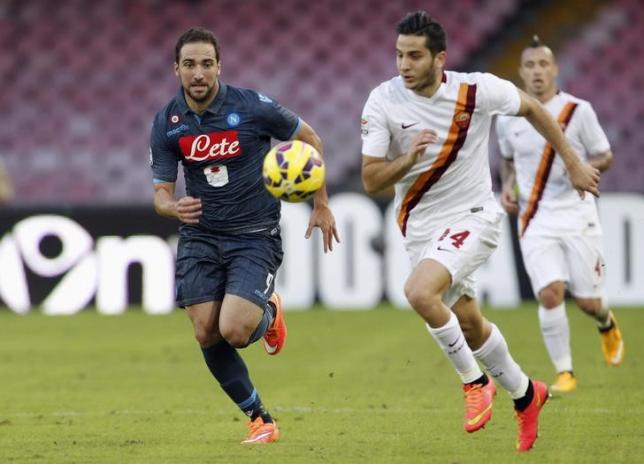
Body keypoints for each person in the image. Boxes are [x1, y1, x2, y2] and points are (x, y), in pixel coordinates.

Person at [360, 12, 599, 452]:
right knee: (468, 325)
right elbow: (371, 179)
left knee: (418, 293)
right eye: (399, 55)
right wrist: (407, 161)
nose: (404, 65)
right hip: (419, 226)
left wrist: (571, 160)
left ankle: (474, 384)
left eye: (415, 56)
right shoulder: (383, 101)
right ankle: (527, 394)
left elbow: (532, 108)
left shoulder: (475, 90)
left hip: (474, 215)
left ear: (440, 59)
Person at [149, 27, 339, 444]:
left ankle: (268, 311)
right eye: (189, 64)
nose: (198, 73)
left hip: (254, 235)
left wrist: (321, 203)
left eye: (205, 63)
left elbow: (310, 138)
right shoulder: (167, 122)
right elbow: (161, 194)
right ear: (176, 69)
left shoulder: (251, 106)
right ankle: (260, 419)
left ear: (219, 65)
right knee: (205, 331)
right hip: (200, 236)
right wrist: (172, 206)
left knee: (235, 330)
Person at [495, 36, 624, 394]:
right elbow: (507, 159)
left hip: (578, 214)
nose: (537, 71)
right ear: (521, 72)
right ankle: (564, 371)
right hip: (534, 217)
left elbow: (605, 155)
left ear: (554, 69)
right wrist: (508, 185)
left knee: (587, 301)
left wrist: (581, 166)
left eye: (543, 64)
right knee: (550, 293)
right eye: (530, 65)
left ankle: (605, 320)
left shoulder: (577, 111)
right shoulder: (508, 117)